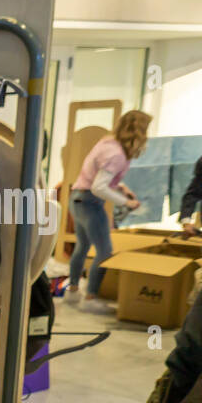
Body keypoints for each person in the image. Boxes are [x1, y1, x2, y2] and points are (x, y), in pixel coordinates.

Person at [66, 110, 151, 313]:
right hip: (90, 202)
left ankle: (73, 291)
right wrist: (125, 202)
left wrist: (120, 186)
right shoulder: (117, 154)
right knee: (105, 252)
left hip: (77, 197)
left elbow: (98, 174)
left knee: (82, 245)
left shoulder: (107, 143)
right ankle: (90, 297)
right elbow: (99, 187)